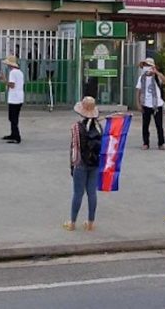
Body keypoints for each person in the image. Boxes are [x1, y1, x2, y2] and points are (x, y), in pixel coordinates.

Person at [64, 97, 102, 232]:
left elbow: (74, 149)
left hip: (81, 163)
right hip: (95, 163)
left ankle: (72, 222)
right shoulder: (99, 127)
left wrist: (72, 166)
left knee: (78, 193)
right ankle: (91, 223)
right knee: (92, 193)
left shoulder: (76, 127)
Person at [136, 57, 165, 150]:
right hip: (146, 104)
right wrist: (138, 103)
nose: (146, 67)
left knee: (159, 125)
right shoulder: (141, 78)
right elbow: (138, 91)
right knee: (145, 125)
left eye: (148, 65)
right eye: (145, 65)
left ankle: (161, 143)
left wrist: (156, 72)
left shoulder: (157, 77)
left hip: (157, 104)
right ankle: (146, 143)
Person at [0, 55, 24, 144]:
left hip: (14, 98)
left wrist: (4, 80)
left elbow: (12, 85)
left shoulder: (13, 73)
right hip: (19, 97)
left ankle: (16, 136)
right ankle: (13, 134)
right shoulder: (20, 72)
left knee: (12, 118)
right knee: (14, 117)